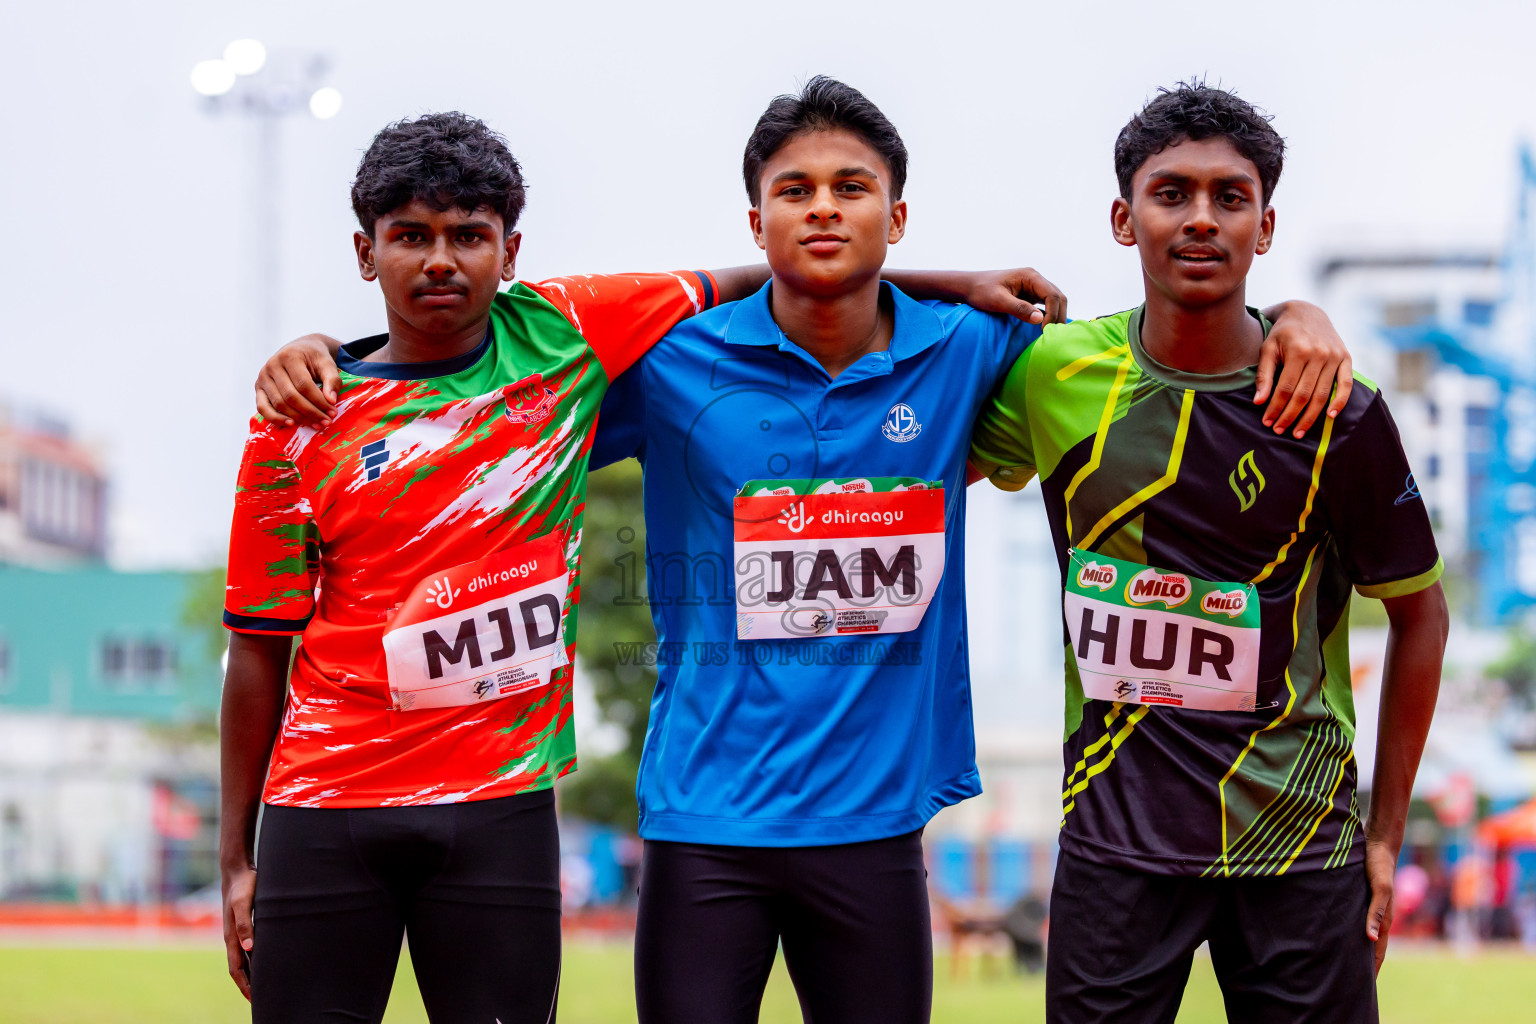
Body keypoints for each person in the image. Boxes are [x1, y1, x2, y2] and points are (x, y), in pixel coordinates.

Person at [255, 80, 1354, 1024]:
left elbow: (1154, 348)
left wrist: (1297, 310)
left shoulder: (979, 350)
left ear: (899, 213)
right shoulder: (673, 361)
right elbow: (484, 373)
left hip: (876, 826)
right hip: (703, 823)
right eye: (796, 190)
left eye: (851, 188)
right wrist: (335, 359)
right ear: (757, 216)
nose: (824, 208)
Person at [219, 111, 782, 1023]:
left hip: (501, 810)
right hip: (324, 807)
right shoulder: (297, 420)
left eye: (468, 235)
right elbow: (255, 649)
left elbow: (774, 275)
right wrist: (237, 857)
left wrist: (958, 283)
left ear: (509, 249)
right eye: (410, 236)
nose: (440, 259)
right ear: (366, 254)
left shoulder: (564, 334)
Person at [970, 82, 1449, 1023]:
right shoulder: (1053, 377)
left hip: (1301, 844)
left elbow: (1421, 612)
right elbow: (909, 444)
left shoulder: (1337, 414)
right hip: (1114, 841)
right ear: (1124, 218)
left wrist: (1385, 837)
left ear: (1264, 228)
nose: (1200, 219)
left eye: (1230, 198)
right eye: (1171, 193)